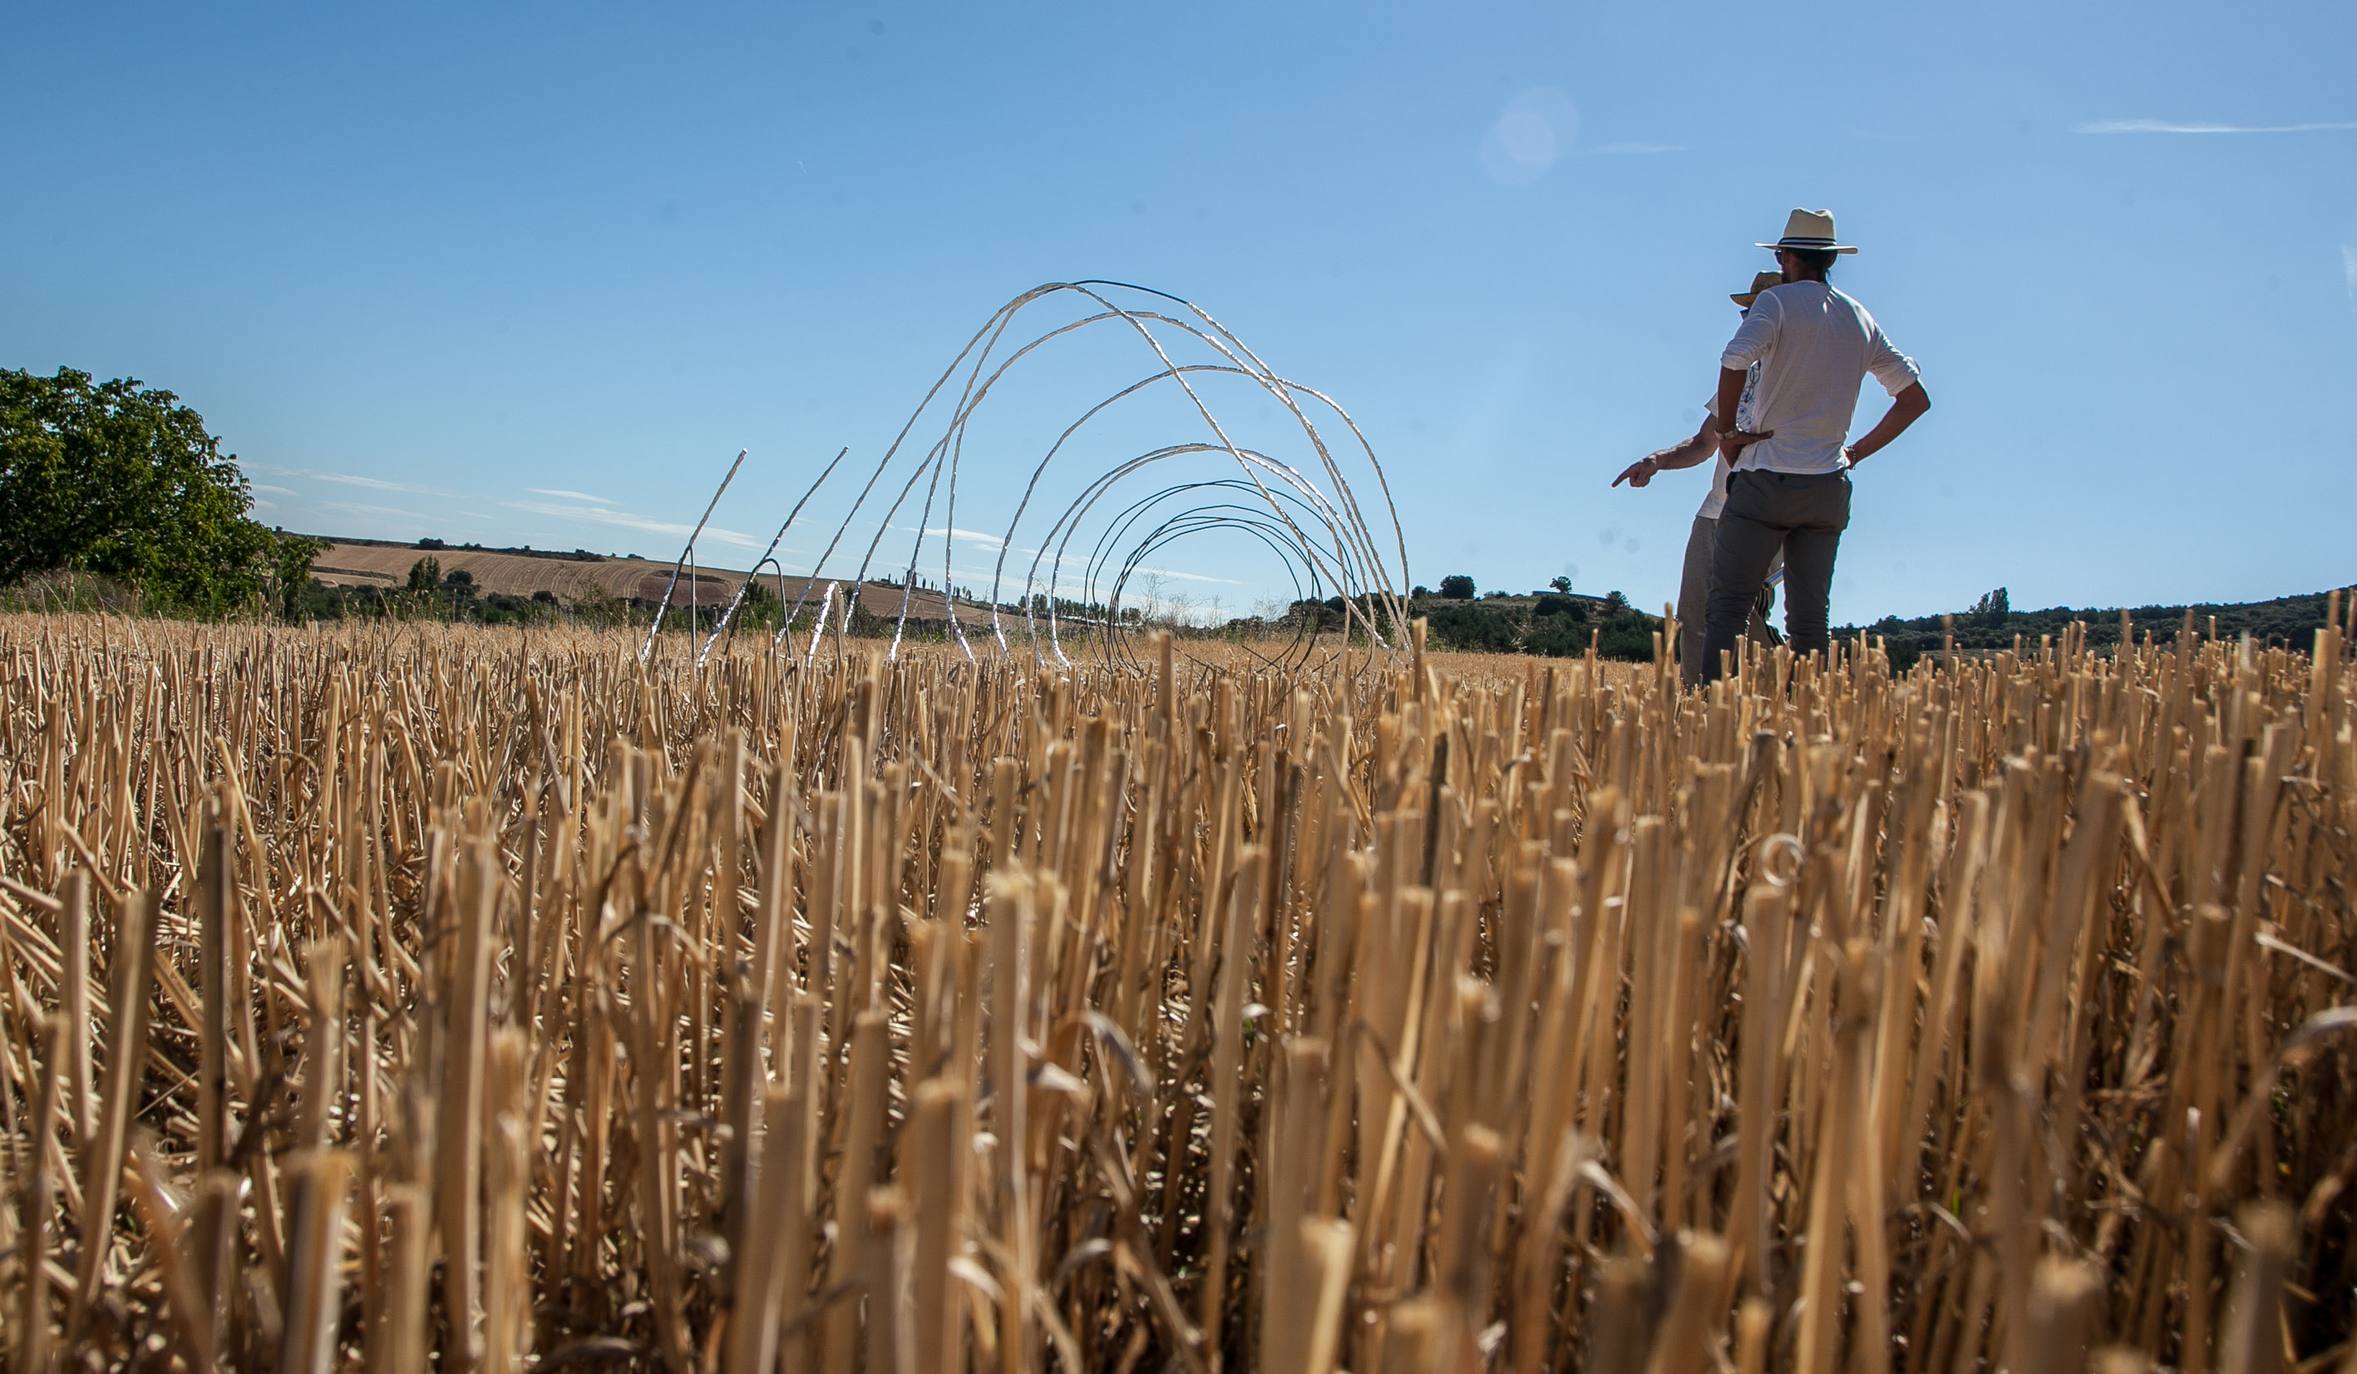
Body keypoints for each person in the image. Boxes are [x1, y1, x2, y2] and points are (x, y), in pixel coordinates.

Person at [1701, 209, 1930, 681]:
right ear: (1830, 261)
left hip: (1765, 478)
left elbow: (1734, 358)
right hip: (1827, 486)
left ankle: (1711, 713)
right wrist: (1856, 452)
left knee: (1727, 610)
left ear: (1785, 257)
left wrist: (1726, 435)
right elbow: (1913, 399)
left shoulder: (1777, 304)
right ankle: (1808, 727)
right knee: (1809, 623)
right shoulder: (1858, 316)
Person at [1613, 269, 1787, 688]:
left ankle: (1783, 697)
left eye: (1754, 312)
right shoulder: (1740, 375)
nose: (1746, 320)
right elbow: (1702, 444)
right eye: (1746, 313)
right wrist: (1655, 461)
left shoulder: (1797, 380)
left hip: (1767, 510)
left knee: (1740, 611)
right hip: (1715, 512)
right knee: (1694, 614)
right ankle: (1698, 707)